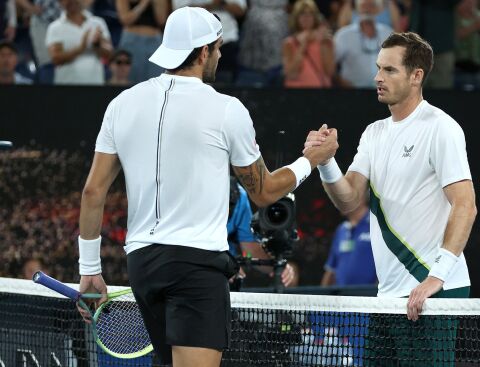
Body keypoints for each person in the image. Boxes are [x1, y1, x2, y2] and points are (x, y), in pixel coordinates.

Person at [76, 6, 337, 367]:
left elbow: (93, 192)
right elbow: (264, 191)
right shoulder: (226, 109)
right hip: (194, 268)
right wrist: (312, 159)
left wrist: (89, 269)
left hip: (143, 265)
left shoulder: (121, 104)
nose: (218, 54)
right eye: (216, 48)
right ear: (202, 52)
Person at [305, 32, 477, 364]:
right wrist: (325, 162)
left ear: (417, 76)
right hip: (389, 296)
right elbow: (349, 199)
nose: (377, 77)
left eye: (389, 70)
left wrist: (435, 278)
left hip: (434, 291)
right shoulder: (374, 133)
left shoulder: (441, 128)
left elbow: (465, 205)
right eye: (378, 68)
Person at [227, 176, 295, 288]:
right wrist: (221, 265)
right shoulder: (190, 189)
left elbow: (251, 249)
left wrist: (278, 266)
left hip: (224, 286)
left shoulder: (238, 195)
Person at [45, 0, 113, 85]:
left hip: (95, 85)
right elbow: (56, 59)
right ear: (60, 2)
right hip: (66, 86)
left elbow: (109, 54)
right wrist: (81, 48)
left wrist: (97, 45)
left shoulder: (98, 22)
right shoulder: (55, 27)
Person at [320, 191, 376, 287]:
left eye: (345, 194)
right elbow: (331, 269)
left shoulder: (376, 226)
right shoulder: (341, 229)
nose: (340, 200)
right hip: (342, 297)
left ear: (361, 198)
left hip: (370, 297)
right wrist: (319, 300)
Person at [282, 0, 334, 88]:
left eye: (310, 14)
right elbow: (291, 74)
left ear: (315, 17)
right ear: (296, 18)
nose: (306, 17)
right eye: (302, 14)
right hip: (295, 93)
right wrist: (303, 44)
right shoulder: (289, 43)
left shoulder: (325, 41)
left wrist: (322, 43)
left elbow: (329, 71)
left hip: (320, 92)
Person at [334, 12, 392, 88]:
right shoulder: (343, 35)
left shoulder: (388, 32)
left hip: (383, 91)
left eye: (371, 5)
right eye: (364, 6)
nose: (367, 10)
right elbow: (331, 65)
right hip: (352, 92)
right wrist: (341, 82)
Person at [115, 0, 168, 83]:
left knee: (157, 80)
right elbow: (125, 19)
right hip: (132, 41)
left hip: (154, 41)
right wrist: (143, 3)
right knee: (131, 81)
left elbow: (161, 20)